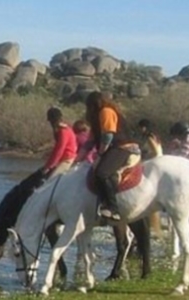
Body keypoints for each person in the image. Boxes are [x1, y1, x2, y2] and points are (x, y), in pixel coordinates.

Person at [86, 91, 141, 221]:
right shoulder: (98, 116)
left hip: (123, 147)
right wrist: (77, 158)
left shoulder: (106, 111)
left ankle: (113, 208)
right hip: (114, 147)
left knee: (102, 173)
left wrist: (100, 153)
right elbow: (91, 141)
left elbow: (108, 135)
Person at [42, 107, 78, 179]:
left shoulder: (63, 132)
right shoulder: (66, 128)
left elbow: (59, 150)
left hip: (67, 159)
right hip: (65, 158)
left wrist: (49, 166)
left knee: (51, 180)